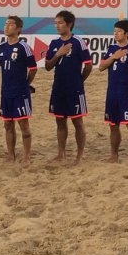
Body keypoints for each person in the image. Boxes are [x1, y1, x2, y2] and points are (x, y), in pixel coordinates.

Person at [44, 10, 92, 163]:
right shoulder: (54, 43)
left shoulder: (78, 42)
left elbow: (88, 65)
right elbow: (48, 66)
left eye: (60, 23)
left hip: (75, 88)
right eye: (55, 23)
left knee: (77, 122)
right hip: (58, 87)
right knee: (60, 121)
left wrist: (79, 80)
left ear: (69, 24)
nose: (57, 26)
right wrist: (58, 54)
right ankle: (61, 153)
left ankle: (79, 155)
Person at [98, 20, 128, 164]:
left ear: (127, 33)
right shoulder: (111, 49)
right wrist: (113, 57)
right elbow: (101, 67)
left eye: (118, 31)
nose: (115, 34)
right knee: (113, 125)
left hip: (126, 93)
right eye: (114, 31)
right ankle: (114, 155)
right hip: (111, 93)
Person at [0, 16, 37, 164]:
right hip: (5, 92)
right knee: (7, 124)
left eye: (10, 24)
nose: (6, 26)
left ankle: (26, 156)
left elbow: (33, 69)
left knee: (23, 125)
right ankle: (11, 154)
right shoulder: (1, 48)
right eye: (5, 23)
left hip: (20, 92)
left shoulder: (24, 47)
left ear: (18, 28)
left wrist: (26, 84)